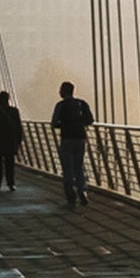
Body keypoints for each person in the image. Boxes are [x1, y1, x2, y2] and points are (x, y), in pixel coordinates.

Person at [51, 81, 94, 209]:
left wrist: (63, 125)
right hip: (80, 138)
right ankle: (82, 191)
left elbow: (53, 123)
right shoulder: (82, 104)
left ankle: (71, 197)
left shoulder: (60, 105)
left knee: (67, 169)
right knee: (78, 166)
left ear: (63, 92)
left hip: (67, 139)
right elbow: (90, 120)